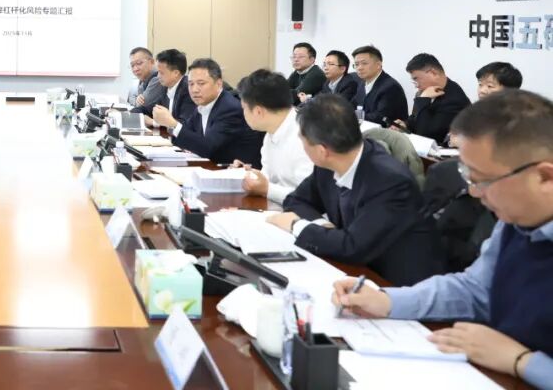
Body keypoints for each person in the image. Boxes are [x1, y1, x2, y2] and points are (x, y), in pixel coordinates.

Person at [333, 91, 553, 388]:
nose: (473, 192)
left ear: (545, 178)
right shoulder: (516, 219)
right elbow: (476, 288)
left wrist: (522, 361)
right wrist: (387, 301)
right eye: (468, 176)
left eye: (483, 180)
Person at [267, 93, 443, 285]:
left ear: (322, 150)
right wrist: (323, 226)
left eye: (303, 141)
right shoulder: (329, 163)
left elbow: (353, 247)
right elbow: (296, 200)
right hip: (355, 269)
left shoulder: (389, 181)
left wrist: (297, 225)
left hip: (398, 284)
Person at [154, 57, 263, 166]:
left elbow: (207, 148)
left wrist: (173, 124)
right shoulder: (203, 104)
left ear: (219, 84)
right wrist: (173, 126)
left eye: (201, 83)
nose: (194, 90)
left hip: (237, 171)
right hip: (213, 167)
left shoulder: (229, 108)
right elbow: (187, 132)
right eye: (191, 84)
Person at [234, 69, 314, 203]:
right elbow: (269, 177)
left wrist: (267, 189)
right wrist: (250, 175)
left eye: (244, 108)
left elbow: (310, 197)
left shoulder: (306, 137)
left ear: (258, 111)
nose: (243, 114)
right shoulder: (272, 130)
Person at [397, 53, 471, 141]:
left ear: (433, 73)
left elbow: (425, 135)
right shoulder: (424, 92)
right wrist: (404, 125)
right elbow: (415, 119)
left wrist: (423, 100)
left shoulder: (455, 100)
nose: (416, 85)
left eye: (416, 79)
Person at [350, 45, 408, 127]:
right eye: (356, 64)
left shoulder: (390, 87)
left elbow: (380, 118)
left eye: (364, 63)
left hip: (387, 132)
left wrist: (352, 116)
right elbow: (352, 105)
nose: (359, 68)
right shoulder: (362, 83)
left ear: (378, 65)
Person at [145, 49, 194, 126]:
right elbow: (148, 108)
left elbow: (183, 124)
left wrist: (153, 122)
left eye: (161, 73)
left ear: (176, 73)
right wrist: (134, 114)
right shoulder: (166, 87)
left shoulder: (188, 89)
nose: (158, 76)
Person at [127, 47, 166, 115]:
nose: (135, 69)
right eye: (132, 66)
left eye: (139, 63)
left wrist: (136, 99)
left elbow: (142, 105)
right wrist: (136, 99)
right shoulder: (143, 78)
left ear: (152, 62)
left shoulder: (158, 78)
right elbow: (130, 99)